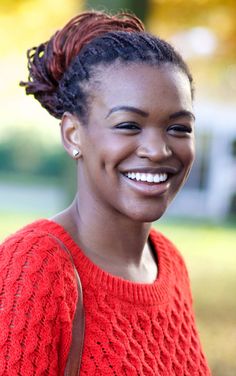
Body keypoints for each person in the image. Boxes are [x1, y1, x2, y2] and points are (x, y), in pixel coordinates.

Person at [0, 10, 211, 375]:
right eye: (129, 125)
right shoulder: (37, 266)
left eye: (178, 128)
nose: (158, 149)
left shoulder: (170, 263)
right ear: (72, 134)